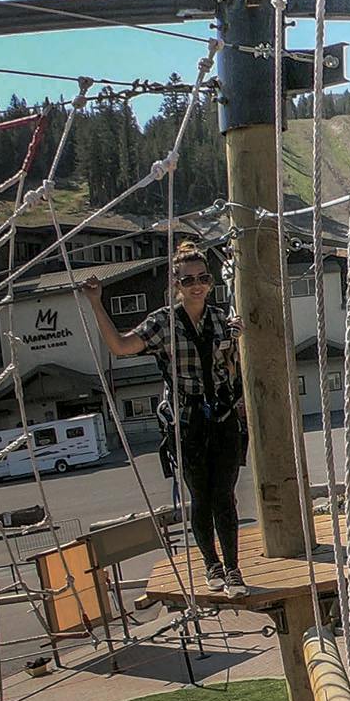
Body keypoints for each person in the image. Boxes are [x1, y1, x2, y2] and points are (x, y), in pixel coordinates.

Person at [82, 242, 248, 595]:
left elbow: (232, 364)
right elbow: (121, 346)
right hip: (187, 424)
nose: (197, 285)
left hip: (223, 418)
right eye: (189, 281)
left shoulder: (221, 320)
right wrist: (97, 303)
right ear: (176, 283)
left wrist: (238, 335)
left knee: (225, 496)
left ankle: (233, 570)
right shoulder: (163, 323)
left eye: (203, 278)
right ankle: (212, 566)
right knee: (201, 498)